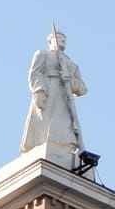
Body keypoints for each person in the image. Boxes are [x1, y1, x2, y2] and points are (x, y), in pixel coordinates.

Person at [21, 25, 87, 154]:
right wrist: (39, 90)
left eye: (64, 38)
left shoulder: (72, 65)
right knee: (44, 124)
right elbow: (35, 73)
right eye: (58, 37)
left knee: (64, 124)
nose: (61, 39)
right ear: (50, 40)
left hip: (64, 96)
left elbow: (82, 89)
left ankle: (65, 147)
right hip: (49, 90)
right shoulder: (43, 54)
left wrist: (70, 81)